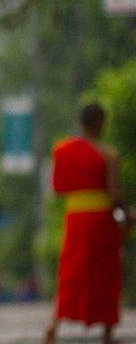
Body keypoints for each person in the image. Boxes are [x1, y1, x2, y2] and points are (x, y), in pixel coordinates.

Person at [45, 103, 133, 344]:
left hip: (75, 219)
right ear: (100, 122)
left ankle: (53, 325)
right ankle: (107, 332)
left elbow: (58, 188)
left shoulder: (63, 150)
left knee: (73, 272)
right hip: (101, 220)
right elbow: (115, 196)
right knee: (105, 272)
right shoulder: (108, 155)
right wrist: (127, 214)